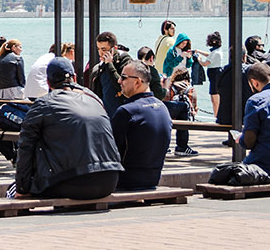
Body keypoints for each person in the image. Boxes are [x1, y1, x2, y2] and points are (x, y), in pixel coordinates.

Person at [15, 57, 124, 199]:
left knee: (13, 190)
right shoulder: (95, 99)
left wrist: (22, 188)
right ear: (74, 77)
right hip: (110, 181)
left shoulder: (44, 104)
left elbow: (25, 146)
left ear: (48, 82)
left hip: (71, 183)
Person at [112, 61, 172, 190]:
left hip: (125, 180)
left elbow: (110, 150)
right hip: (153, 179)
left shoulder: (126, 111)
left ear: (137, 82)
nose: (119, 81)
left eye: (123, 77)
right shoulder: (163, 108)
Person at [87, 32, 132, 117]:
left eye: (104, 50)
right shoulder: (99, 67)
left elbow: (124, 86)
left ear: (114, 48)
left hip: (122, 113)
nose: (100, 53)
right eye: (98, 49)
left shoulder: (124, 60)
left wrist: (109, 65)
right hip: (104, 115)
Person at [165, 66, 198, 156]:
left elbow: (165, 100)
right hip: (184, 119)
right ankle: (182, 146)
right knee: (184, 113)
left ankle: (165, 146)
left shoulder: (169, 87)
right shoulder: (190, 89)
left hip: (168, 115)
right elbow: (194, 108)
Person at [204, 32, 224, 116]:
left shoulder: (216, 53)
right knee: (213, 97)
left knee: (215, 98)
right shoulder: (215, 51)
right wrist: (198, 51)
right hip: (213, 75)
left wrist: (198, 58)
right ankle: (216, 115)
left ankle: (217, 116)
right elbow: (209, 55)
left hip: (215, 75)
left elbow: (205, 63)